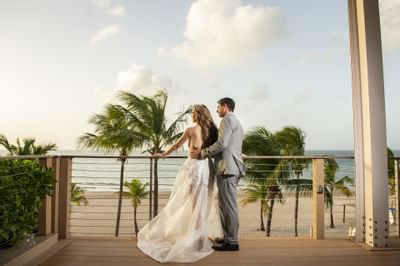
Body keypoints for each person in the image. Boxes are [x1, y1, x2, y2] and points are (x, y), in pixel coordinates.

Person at [137, 104, 221, 263]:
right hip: (206, 167)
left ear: (196, 114)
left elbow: (176, 145)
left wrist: (162, 155)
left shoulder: (191, 130)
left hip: (194, 167)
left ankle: (195, 239)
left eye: (193, 113)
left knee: (191, 203)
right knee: (201, 204)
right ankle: (199, 239)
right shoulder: (211, 130)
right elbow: (218, 146)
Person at [191, 97, 246, 252]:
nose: (216, 110)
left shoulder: (227, 121)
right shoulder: (237, 122)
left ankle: (232, 241)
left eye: (218, 107)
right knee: (224, 204)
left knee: (229, 206)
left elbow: (222, 144)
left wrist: (203, 153)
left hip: (227, 168)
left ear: (225, 106)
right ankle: (227, 237)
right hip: (230, 167)